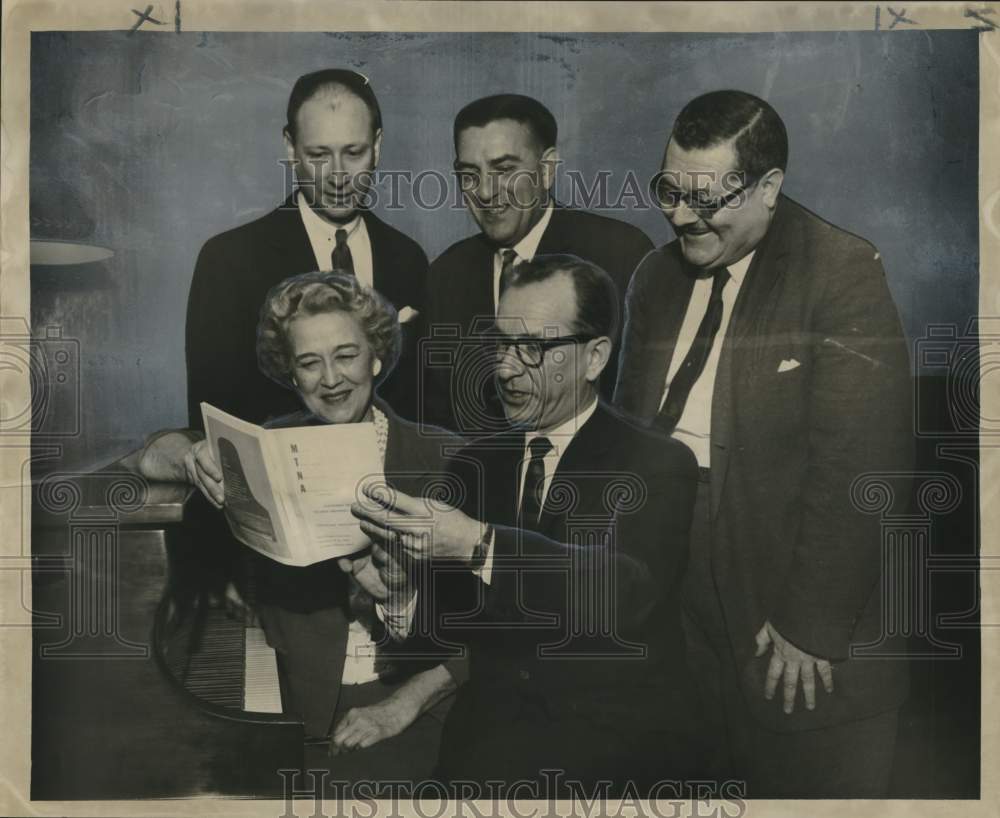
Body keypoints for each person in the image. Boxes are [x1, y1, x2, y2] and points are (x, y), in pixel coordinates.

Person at [613, 90, 913, 797]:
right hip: (676, 596)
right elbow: (624, 435)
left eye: (706, 200)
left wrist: (811, 625)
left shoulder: (840, 270)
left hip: (792, 586)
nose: (681, 215)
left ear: (768, 188)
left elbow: (861, 466)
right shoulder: (656, 277)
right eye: (669, 191)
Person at [353, 255, 700, 794]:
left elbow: (620, 593)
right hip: (484, 755)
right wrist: (399, 594)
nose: (507, 369)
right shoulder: (475, 464)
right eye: (501, 344)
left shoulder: (658, 464)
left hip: (612, 769)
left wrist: (478, 543)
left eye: (534, 349)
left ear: (594, 357)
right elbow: (453, 635)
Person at [141, 272, 460, 783]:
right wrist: (192, 455)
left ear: (376, 355)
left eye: (346, 354)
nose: (330, 378)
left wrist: (400, 706)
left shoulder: (446, 458)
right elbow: (145, 456)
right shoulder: (269, 445)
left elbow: (495, 633)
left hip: (412, 707)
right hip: (299, 698)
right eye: (309, 363)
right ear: (292, 376)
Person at [186, 68, 428, 428]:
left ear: (376, 146)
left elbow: (417, 412)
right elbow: (215, 425)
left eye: (354, 152)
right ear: (290, 147)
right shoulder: (228, 261)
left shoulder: (409, 259)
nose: (338, 174)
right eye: (318, 154)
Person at [420, 94, 653, 436]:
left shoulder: (621, 253)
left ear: (546, 170)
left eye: (504, 170)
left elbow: (639, 401)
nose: (485, 191)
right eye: (469, 175)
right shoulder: (445, 274)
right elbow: (438, 415)